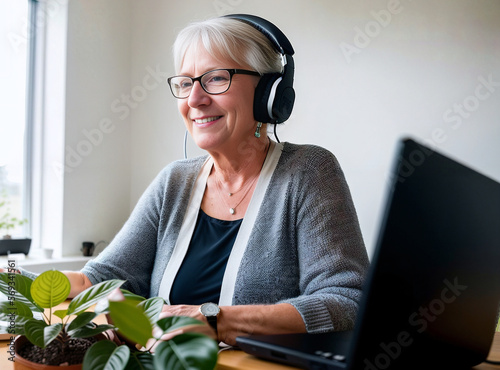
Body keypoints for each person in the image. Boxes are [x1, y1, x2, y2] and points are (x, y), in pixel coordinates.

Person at [19, 14, 370, 346]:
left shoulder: (309, 172)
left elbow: (346, 301)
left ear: (269, 93)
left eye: (216, 78)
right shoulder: (175, 181)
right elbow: (99, 278)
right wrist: (13, 282)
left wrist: (217, 321)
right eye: (186, 83)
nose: (194, 99)